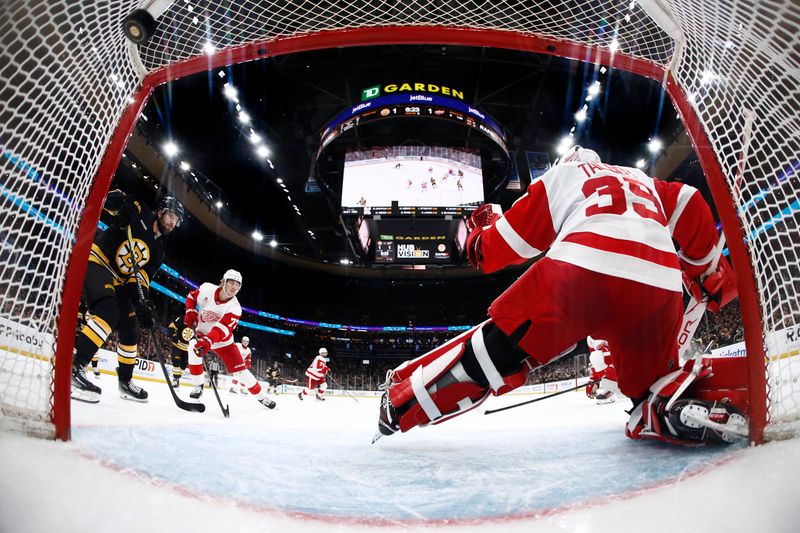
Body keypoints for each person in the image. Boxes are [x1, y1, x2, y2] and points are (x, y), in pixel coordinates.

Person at [373, 145, 741, 445]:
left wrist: (477, 241)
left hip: (579, 272)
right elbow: (691, 201)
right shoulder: (644, 180)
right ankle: (667, 410)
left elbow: (507, 245)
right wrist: (705, 268)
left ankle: (399, 408)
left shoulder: (566, 175)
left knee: (493, 353)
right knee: (649, 391)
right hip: (658, 288)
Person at [70, 191, 184, 403]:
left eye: (176, 220)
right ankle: (74, 368)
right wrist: (122, 206)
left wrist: (143, 303)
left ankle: (125, 382)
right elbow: (112, 200)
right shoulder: (142, 211)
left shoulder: (159, 252)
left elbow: (139, 278)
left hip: (120, 281)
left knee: (130, 330)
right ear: (160, 212)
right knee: (108, 311)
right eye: (171, 216)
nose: (172, 222)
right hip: (98, 262)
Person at [183, 269, 276, 409]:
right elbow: (191, 297)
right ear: (223, 282)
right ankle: (198, 386)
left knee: (241, 372)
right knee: (192, 347)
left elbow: (222, 329)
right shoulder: (206, 288)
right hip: (202, 334)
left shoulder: (235, 308)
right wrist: (190, 311)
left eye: (237, 284)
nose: (234, 287)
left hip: (223, 342)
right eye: (231, 282)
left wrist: (209, 341)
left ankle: (262, 397)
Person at [585, 336, 618, 404]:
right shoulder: (590, 337)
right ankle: (609, 388)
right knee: (595, 355)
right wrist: (593, 384)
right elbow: (596, 363)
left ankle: (610, 388)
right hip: (612, 356)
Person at [168, 314, 193, 388]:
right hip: (177, 345)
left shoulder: (198, 322)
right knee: (176, 360)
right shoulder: (182, 318)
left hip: (187, 348)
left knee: (183, 365)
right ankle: (175, 379)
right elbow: (171, 327)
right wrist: (173, 336)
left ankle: (177, 378)